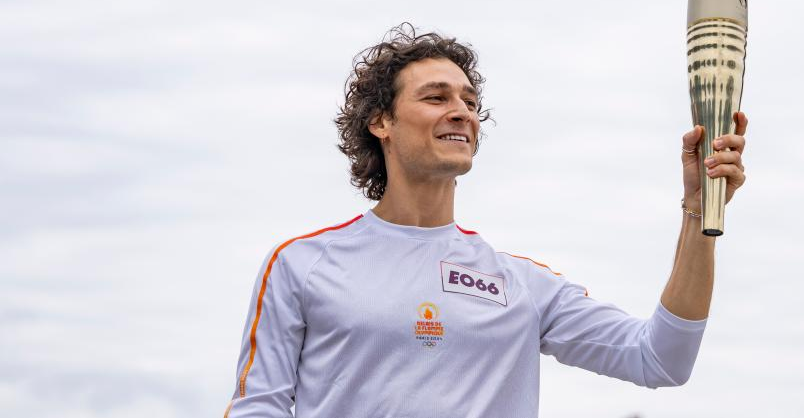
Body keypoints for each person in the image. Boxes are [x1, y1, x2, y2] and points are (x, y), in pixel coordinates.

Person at [223, 23, 748, 418]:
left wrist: (698, 211)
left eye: (469, 101)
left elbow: (661, 359)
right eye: (436, 97)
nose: (462, 111)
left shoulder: (521, 285)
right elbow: (258, 408)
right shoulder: (301, 265)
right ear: (381, 122)